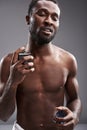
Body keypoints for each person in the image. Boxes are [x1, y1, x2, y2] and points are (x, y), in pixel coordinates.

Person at [0, 0, 82, 130]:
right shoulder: (9, 62)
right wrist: (13, 82)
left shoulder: (68, 60)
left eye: (55, 18)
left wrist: (75, 115)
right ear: (28, 19)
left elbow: (75, 99)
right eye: (42, 14)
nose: (49, 21)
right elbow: (3, 115)